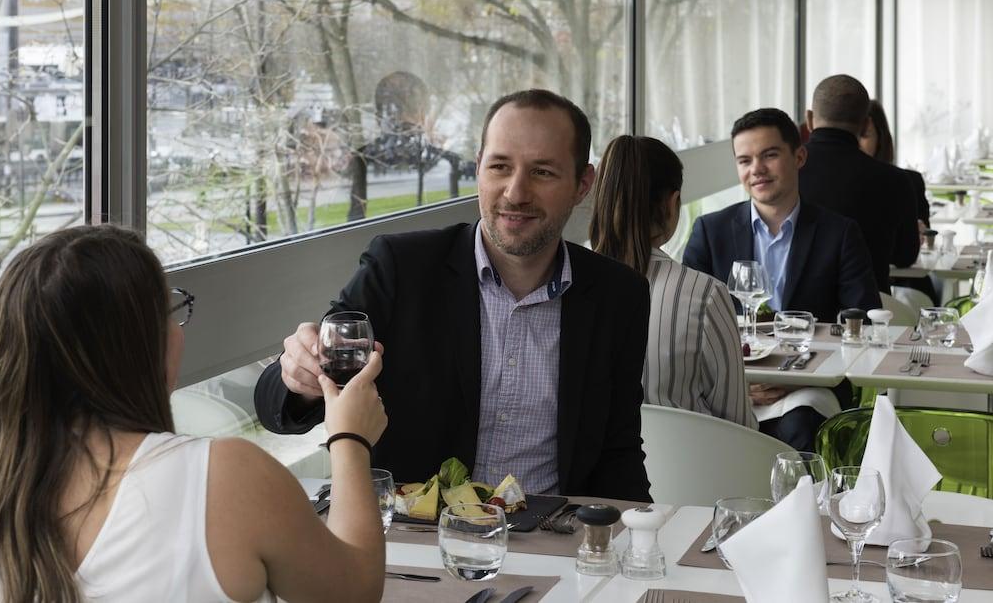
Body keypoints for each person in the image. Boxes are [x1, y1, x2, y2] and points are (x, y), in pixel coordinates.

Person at [255, 89, 652, 502]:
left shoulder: (618, 295)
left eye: (543, 173)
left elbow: (618, 451)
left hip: (551, 535)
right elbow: (276, 408)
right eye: (499, 166)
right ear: (479, 168)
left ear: (582, 184)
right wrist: (299, 379)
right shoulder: (401, 268)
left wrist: (644, 544)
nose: (515, 193)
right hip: (417, 535)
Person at [0, 226, 387, 602]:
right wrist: (349, 439)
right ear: (135, 344)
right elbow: (354, 591)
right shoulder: (222, 476)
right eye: (168, 310)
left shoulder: (8, 485)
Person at [683, 108, 880, 451]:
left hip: (808, 387)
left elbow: (860, 322)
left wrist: (795, 375)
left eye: (769, 155)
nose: (756, 169)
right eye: (744, 160)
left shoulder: (839, 233)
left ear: (799, 156)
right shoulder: (709, 232)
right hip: (730, 387)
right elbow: (687, 326)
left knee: (798, 429)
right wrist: (733, 384)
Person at [589, 135, 757, 429]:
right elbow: (738, 423)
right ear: (672, 203)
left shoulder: (567, 287)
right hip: (691, 471)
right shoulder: (704, 295)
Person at [799, 74, 920, 293]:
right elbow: (905, 256)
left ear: (809, 119)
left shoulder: (787, 173)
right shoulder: (895, 180)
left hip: (796, 316)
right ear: (865, 125)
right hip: (868, 314)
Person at [347, 71, 464, 220]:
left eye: (407, 106)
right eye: (388, 107)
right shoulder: (361, 161)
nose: (397, 117)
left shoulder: (445, 162)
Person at [860, 99, 938, 304]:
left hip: (905, 286)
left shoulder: (908, 181)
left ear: (881, 138)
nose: (857, 144)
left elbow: (919, 247)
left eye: (864, 136)